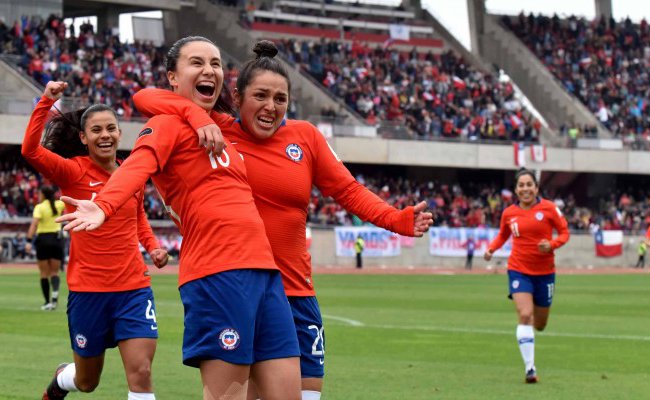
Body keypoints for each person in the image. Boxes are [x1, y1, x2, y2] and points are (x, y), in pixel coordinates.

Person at [130, 39, 433, 400]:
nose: (270, 107)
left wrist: (396, 219)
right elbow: (147, 97)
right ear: (237, 97)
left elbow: (349, 191)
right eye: (260, 96)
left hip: (296, 291)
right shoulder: (217, 129)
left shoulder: (305, 137)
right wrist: (196, 115)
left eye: (280, 99)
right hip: (235, 287)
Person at [55, 36, 302, 400]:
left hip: (265, 273)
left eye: (216, 63)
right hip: (219, 273)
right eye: (197, 62)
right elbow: (138, 157)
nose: (209, 70)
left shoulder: (221, 126)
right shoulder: (166, 125)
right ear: (173, 77)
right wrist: (105, 205)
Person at [21, 81, 169, 400]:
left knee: (141, 373)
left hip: (133, 289)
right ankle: (62, 379)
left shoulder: (132, 173)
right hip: (89, 292)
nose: (105, 135)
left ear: (119, 133)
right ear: (83, 138)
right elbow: (30, 150)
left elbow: (138, 216)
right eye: (97, 130)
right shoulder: (72, 172)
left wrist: (154, 246)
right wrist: (46, 101)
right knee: (88, 382)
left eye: (111, 128)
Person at [484, 168, 569, 384]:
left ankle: (530, 339)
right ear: (516, 189)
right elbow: (503, 234)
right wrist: (491, 249)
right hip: (519, 269)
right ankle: (530, 368)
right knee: (525, 314)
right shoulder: (509, 213)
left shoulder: (549, 209)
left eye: (529, 184)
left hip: (545, 273)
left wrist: (551, 244)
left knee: (540, 324)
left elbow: (565, 233)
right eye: (521, 185)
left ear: (536, 187)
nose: (525, 189)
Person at [26, 185, 65, 310]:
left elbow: (34, 224)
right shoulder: (59, 205)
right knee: (55, 272)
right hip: (56, 240)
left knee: (44, 273)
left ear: (43, 194)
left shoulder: (39, 207)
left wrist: (28, 240)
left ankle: (47, 302)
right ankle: (54, 299)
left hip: (43, 240)